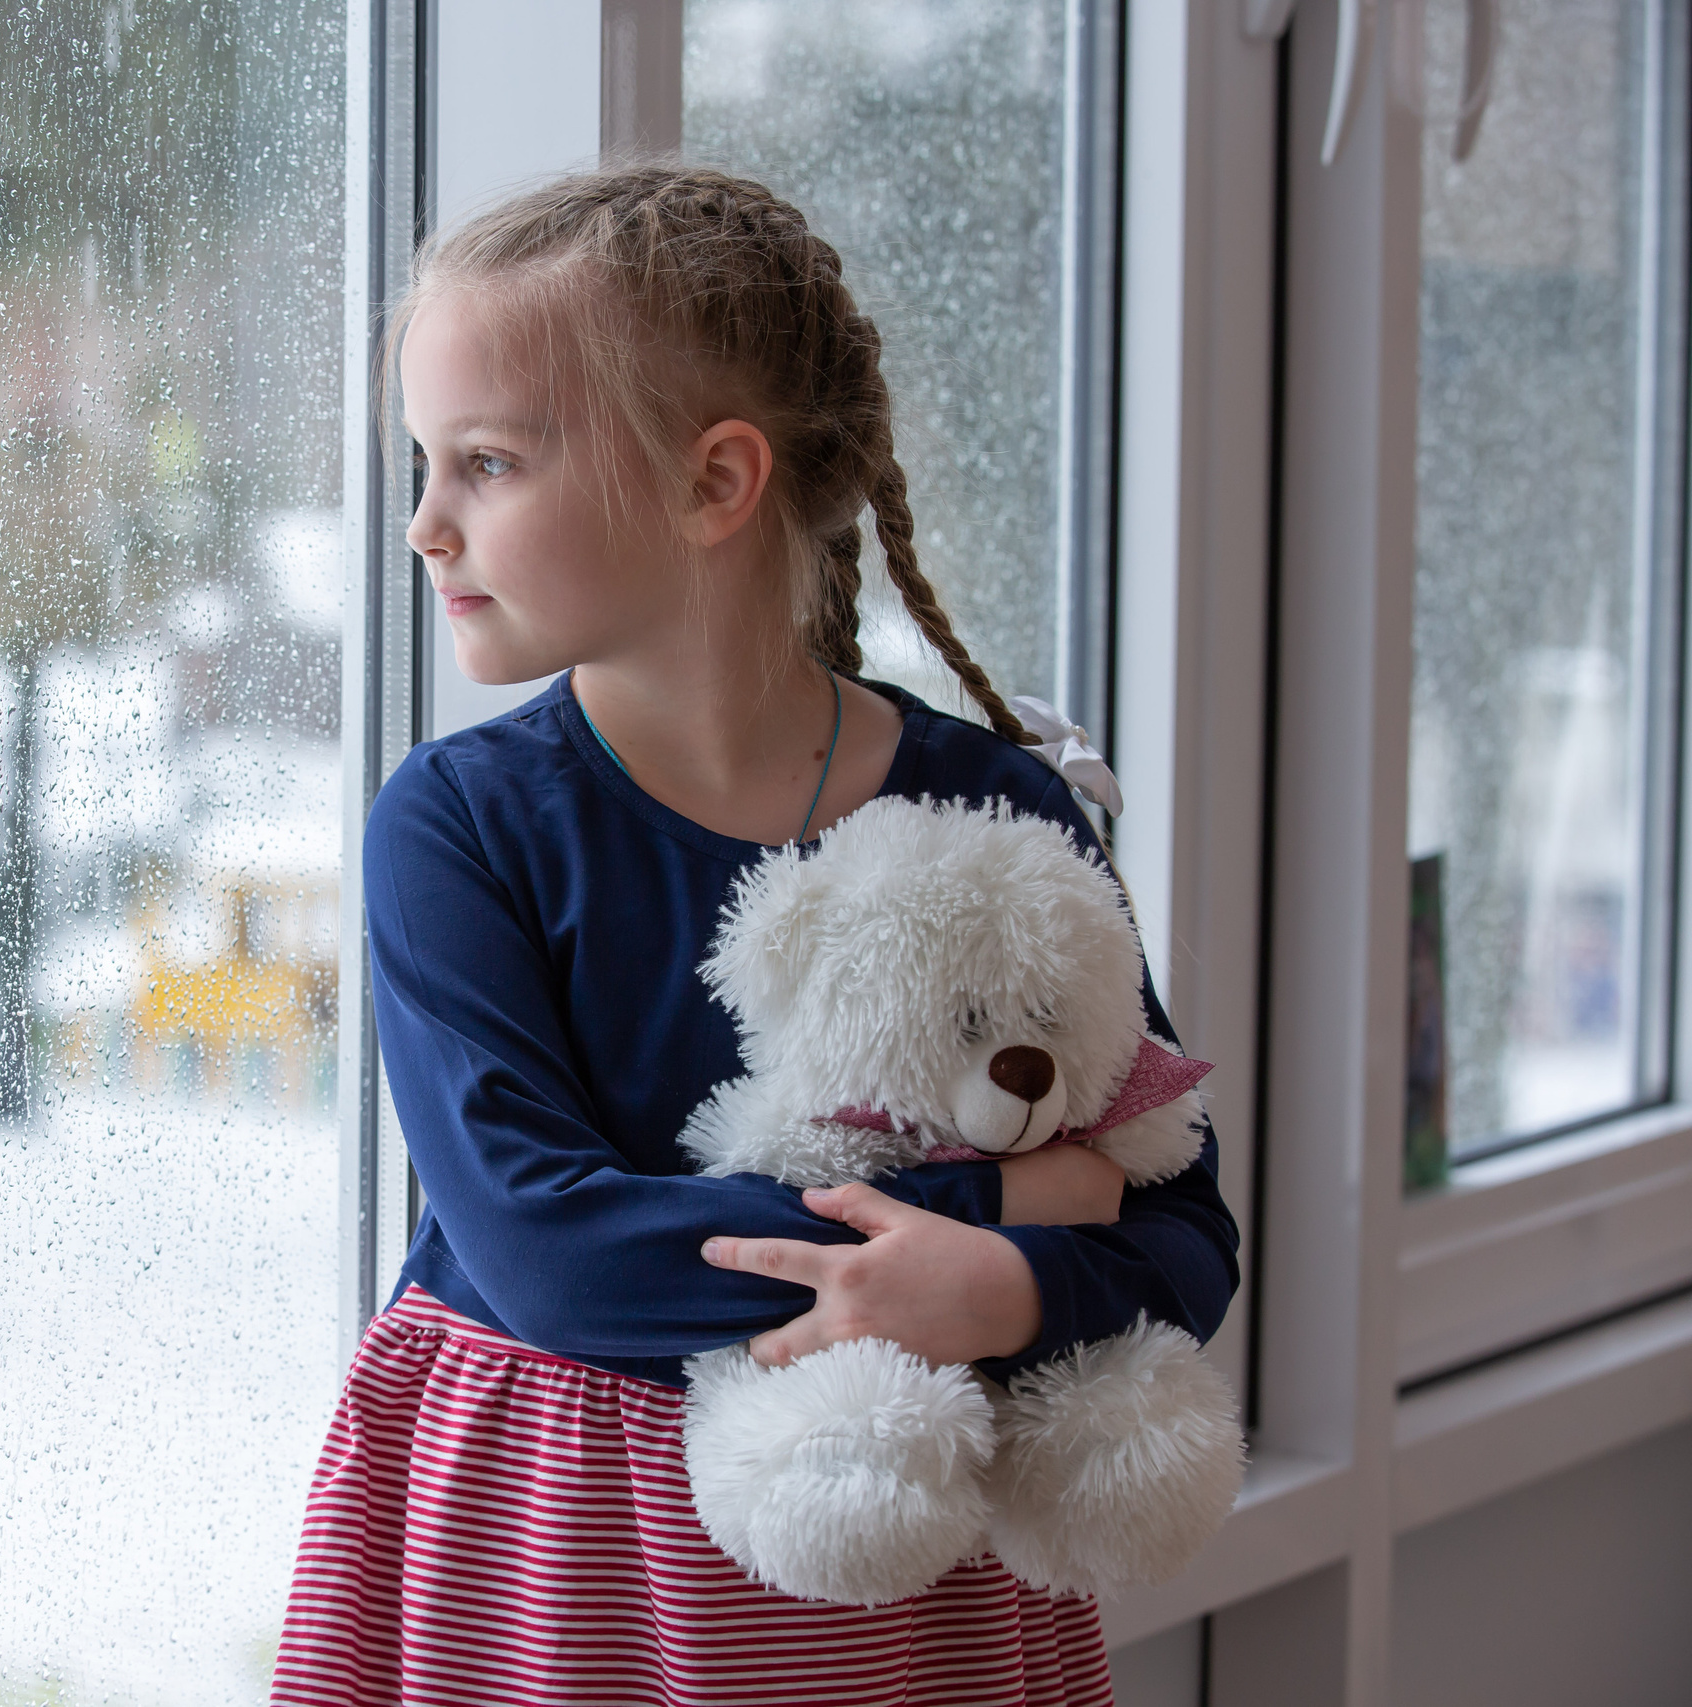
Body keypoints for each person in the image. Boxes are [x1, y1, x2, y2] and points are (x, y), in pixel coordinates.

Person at [269, 165, 1239, 1706]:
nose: (425, 524)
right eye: (424, 462)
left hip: (913, 1599)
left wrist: (1004, 1292)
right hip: (544, 1576)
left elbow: (1184, 1230)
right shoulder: (455, 827)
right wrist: (993, 1209)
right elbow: (549, 1255)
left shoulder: (1001, 821)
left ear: (716, 484)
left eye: (489, 463)